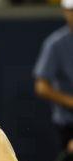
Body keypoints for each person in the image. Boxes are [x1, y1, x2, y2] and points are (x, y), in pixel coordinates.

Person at [34, 0, 73, 150]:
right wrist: (70, 101)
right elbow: (41, 87)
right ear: (65, 11)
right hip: (67, 124)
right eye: (71, 10)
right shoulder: (55, 44)